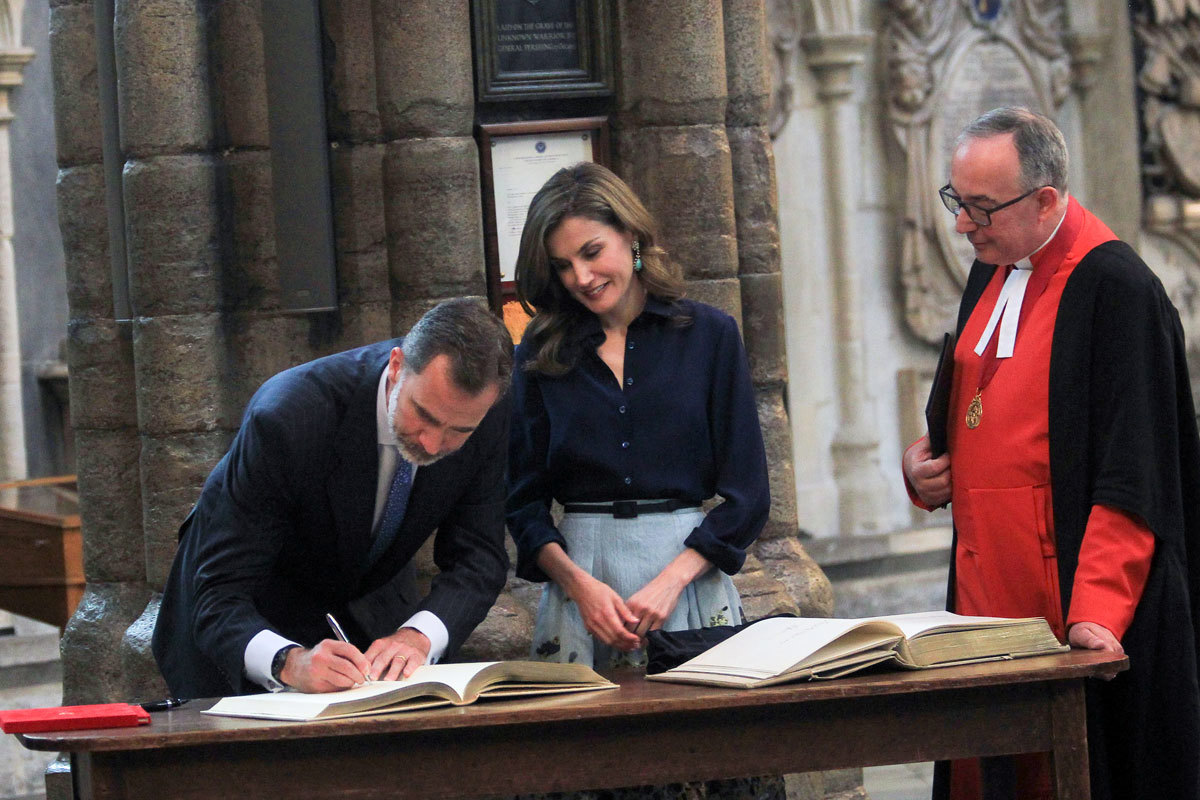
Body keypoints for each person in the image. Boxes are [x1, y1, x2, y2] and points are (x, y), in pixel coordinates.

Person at [902, 107, 1200, 800]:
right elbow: (971, 414)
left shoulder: (1118, 290)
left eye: (980, 209)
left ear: (1044, 201)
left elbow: (1137, 472)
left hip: (1066, 606)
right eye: (957, 202)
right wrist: (923, 470)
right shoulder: (992, 266)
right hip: (982, 600)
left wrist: (1095, 612)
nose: (961, 226)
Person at [153, 298, 514, 697]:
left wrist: (418, 635)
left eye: (456, 432)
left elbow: (478, 556)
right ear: (396, 368)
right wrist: (288, 662)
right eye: (424, 416)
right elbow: (219, 592)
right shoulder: (289, 415)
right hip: (240, 627)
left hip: (360, 612)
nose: (433, 443)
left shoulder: (485, 414)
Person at [506, 162, 770, 670]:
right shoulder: (538, 353)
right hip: (580, 590)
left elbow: (750, 495)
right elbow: (522, 505)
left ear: (631, 235)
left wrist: (673, 580)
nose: (581, 277)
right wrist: (578, 586)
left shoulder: (710, 336)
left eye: (591, 252)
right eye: (563, 265)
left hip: (689, 580)